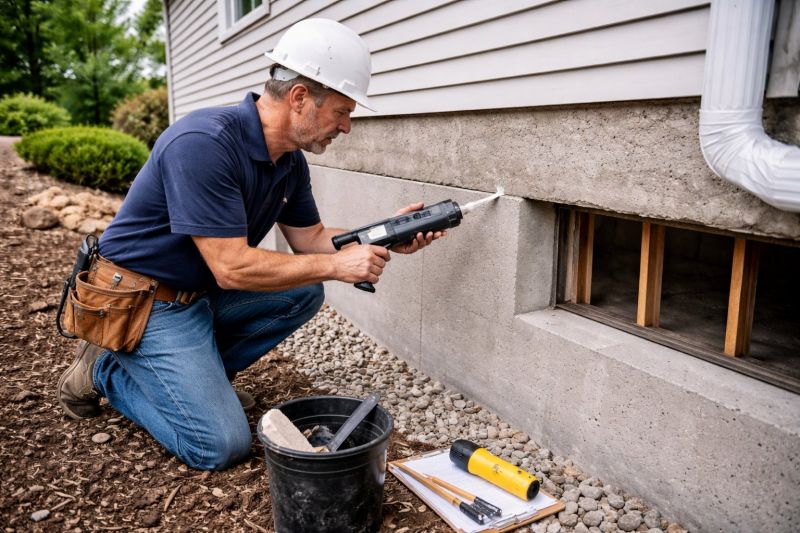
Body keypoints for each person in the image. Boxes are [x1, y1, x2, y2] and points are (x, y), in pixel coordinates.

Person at [56, 18, 444, 471]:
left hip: (195, 292)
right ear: (300, 98)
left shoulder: (289, 162)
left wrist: (382, 236)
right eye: (342, 111)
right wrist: (340, 267)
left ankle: (198, 385)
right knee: (220, 445)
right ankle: (107, 371)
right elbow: (233, 269)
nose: (346, 127)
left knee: (302, 292)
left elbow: (312, 241)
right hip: (141, 302)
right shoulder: (204, 144)